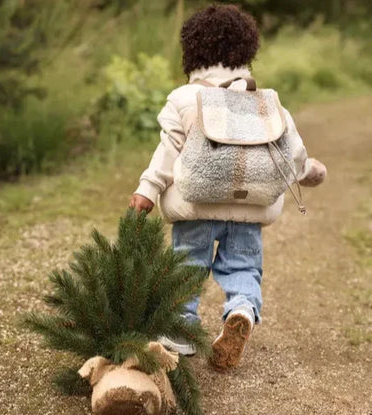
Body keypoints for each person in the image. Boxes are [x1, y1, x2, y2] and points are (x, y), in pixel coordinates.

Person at [129, 4, 327, 370]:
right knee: (243, 268)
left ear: (192, 53)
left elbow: (167, 152)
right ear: (247, 52)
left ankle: (181, 332)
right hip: (250, 209)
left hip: (196, 205)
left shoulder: (185, 99)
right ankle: (241, 310)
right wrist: (310, 171)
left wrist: (147, 189)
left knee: (186, 266)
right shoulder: (266, 102)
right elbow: (293, 154)